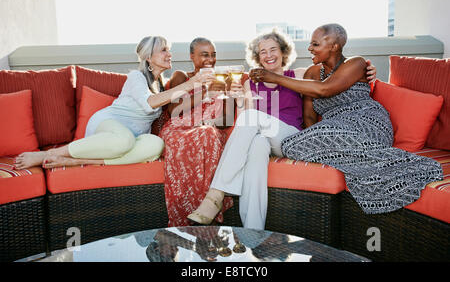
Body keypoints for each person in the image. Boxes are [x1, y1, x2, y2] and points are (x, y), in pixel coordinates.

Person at [187, 29, 378, 229]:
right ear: (257, 57)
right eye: (263, 52)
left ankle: (215, 195)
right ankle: (253, 232)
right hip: (264, 137)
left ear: (283, 52)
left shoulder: (298, 74)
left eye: (273, 49)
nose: (268, 55)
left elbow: (333, 73)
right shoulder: (249, 83)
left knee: (253, 120)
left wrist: (368, 70)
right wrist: (240, 100)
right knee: (257, 145)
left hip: (290, 138)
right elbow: (247, 121)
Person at [270, 23, 442, 214]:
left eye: (315, 44)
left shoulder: (356, 63)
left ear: (334, 46)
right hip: (335, 126)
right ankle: (382, 167)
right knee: (292, 144)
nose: (310, 48)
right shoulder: (311, 73)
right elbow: (309, 115)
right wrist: (313, 136)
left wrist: (273, 78)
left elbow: (325, 89)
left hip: (367, 121)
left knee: (325, 133)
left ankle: (414, 167)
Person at [14, 36, 215, 170]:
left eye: (169, 50)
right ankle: (49, 154)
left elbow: (173, 106)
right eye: (163, 50)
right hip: (107, 126)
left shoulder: (162, 85)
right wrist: (192, 83)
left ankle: (77, 161)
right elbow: (149, 104)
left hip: (130, 139)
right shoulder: (136, 77)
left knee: (156, 145)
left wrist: (205, 90)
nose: (169, 54)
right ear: (148, 57)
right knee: (124, 140)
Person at [159, 37, 234, 227]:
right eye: (204, 55)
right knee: (206, 134)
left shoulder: (224, 80)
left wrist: (231, 94)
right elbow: (173, 110)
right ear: (192, 56)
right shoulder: (182, 76)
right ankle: (190, 216)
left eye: (213, 55)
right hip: (178, 130)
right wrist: (205, 91)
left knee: (209, 134)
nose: (210, 60)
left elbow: (227, 121)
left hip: (207, 129)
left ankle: (204, 213)